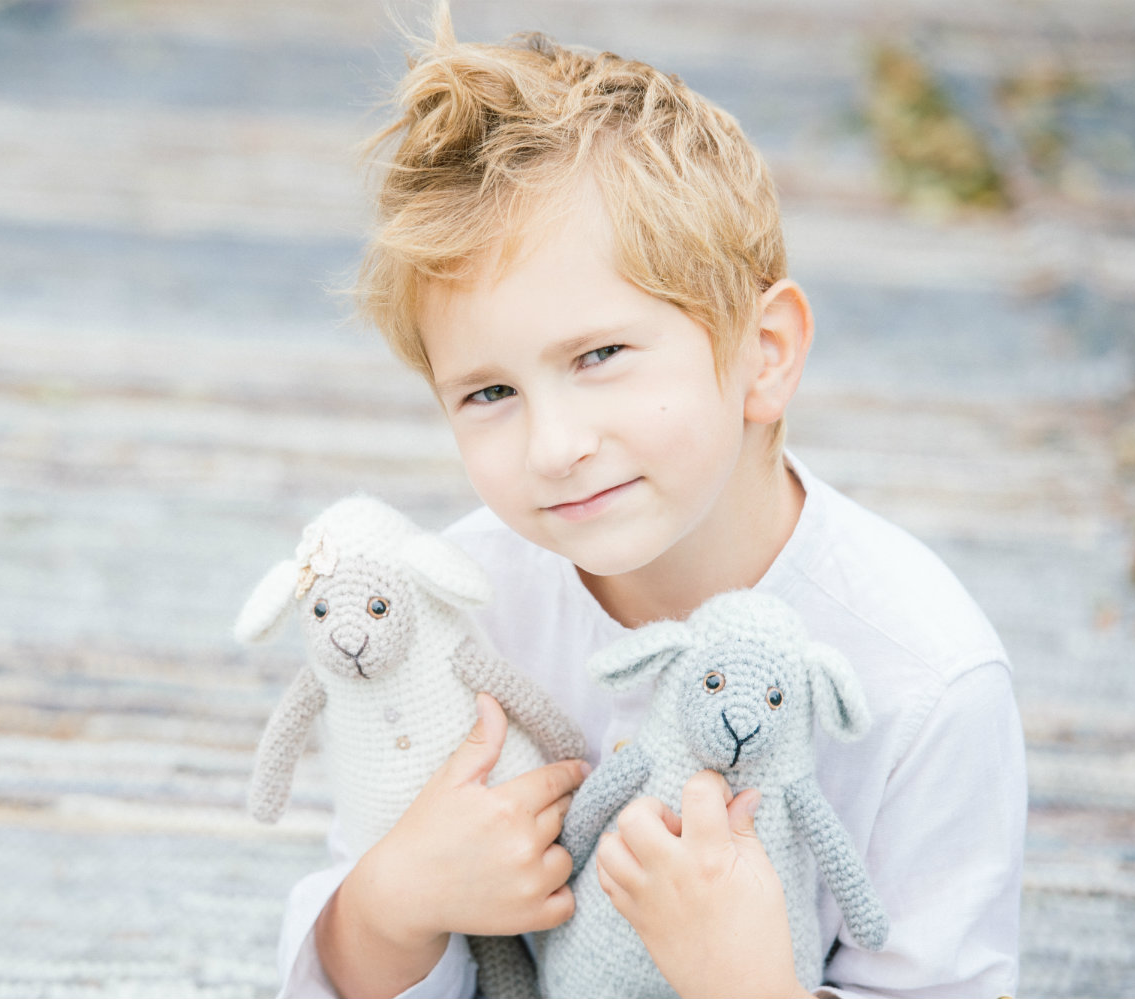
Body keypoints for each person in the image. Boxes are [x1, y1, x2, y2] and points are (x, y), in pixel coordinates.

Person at [274, 6, 1027, 997]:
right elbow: (356, 957)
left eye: (600, 357)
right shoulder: (452, 612)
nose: (554, 446)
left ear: (765, 356)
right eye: (489, 393)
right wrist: (391, 903)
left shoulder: (926, 677)